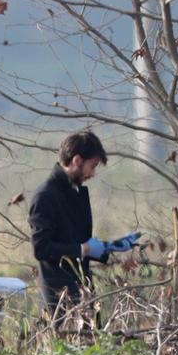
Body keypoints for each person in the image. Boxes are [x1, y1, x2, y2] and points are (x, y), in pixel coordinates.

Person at [28, 131, 140, 311]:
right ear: (77, 160)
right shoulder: (46, 196)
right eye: (93, 165)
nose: (93, 173)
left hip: (83, 289)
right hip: (60, 298)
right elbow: (41, 248)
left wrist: (110, 247)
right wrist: (84, 249)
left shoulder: (75, 192)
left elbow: (76, 239)